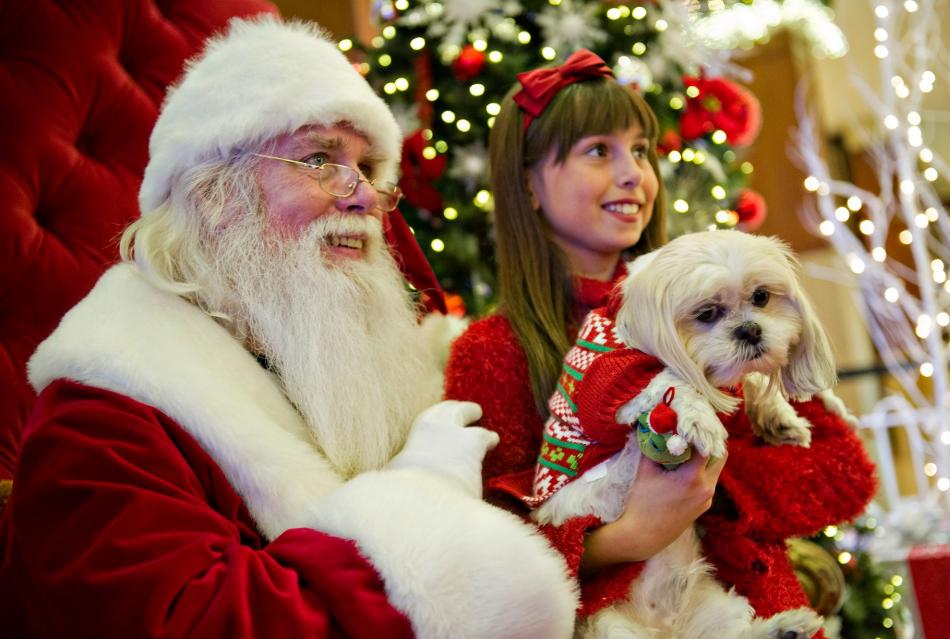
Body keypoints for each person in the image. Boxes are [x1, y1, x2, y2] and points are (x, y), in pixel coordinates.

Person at [0, 17, 578, 639]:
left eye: (368, 170)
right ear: (215, 196)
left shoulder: (331, 362)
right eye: (320, 159)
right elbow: (209, 621)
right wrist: (421, 500)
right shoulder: (97, 422)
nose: (361, 196)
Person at [445, 49, 876, 620]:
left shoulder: (727, 285)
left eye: (641, 151)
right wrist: (629, 534)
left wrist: (704, 489)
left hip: (758, 612)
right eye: (598, 151)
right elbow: (487, 552)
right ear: (527, 183)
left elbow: (844, 474)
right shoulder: (492, 352)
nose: (633, 173)